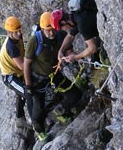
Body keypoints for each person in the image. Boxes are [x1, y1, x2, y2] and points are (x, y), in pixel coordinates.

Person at [24, 12, 82, 142]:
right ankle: (40, 130)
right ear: (42, 29)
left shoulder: (59, 35)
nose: (51, 33)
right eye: (47, 30)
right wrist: (28, 86)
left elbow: (68, 50)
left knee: (75, 95)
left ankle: (60, 110)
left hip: (55, 75)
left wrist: (76, 56)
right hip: (38, 79)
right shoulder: (35, 40)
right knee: (38, 108)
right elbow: (26, 64)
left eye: (52, 29)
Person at [51, 0, 106, 64]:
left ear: (63, 23)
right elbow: (70, 36)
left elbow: (92, 48)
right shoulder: (74, 15)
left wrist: (75, 57)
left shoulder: (81, 24)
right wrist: (61, 50)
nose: (64, 30)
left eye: (61, 28)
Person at [0, 16, 26, 119]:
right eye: (16, 32)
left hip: (17, 72)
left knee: (22, 92)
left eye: (19, 30)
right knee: (27, 93)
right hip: (10, 77)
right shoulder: (11, 46)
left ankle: (20, 115)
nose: (19, 33)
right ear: (9, 33)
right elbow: (23, 66)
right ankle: (21, 119)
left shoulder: (18, 37)